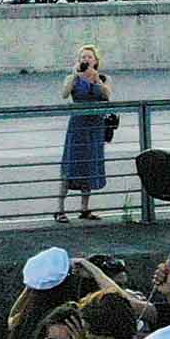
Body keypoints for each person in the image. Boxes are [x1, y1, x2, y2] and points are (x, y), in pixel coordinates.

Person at [58, 45, 115, 223]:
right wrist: (75, 76)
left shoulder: (104, 78)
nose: (86, 60)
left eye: (89, 57)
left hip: (95, 126)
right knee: (71, 166)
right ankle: (60, 209)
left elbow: (107, 96)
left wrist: (96, 79)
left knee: (89, 164)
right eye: (83, 57)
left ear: (96, 60)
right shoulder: (73, 78)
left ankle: (85, 208)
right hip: (78, 126)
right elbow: (64, 94)